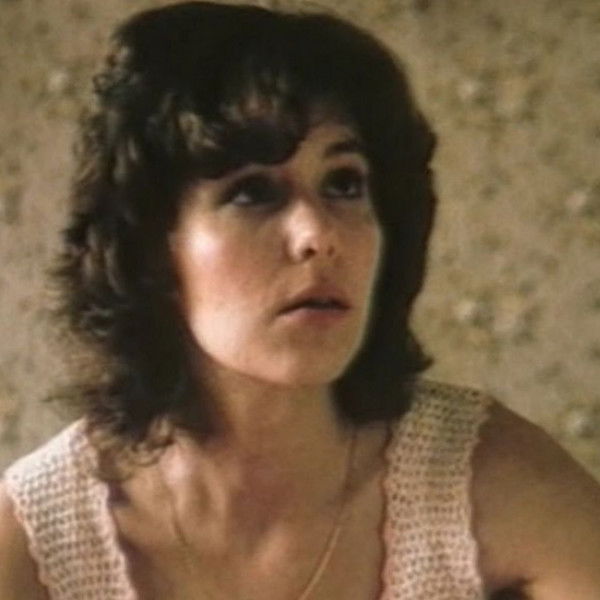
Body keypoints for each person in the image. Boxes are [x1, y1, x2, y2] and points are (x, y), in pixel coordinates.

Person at [1, 2, 599, 599]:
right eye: (252, 192)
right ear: (152, 248)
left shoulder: (477, 477)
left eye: (344, 184)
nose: (318, 234)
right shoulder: (39, 541)